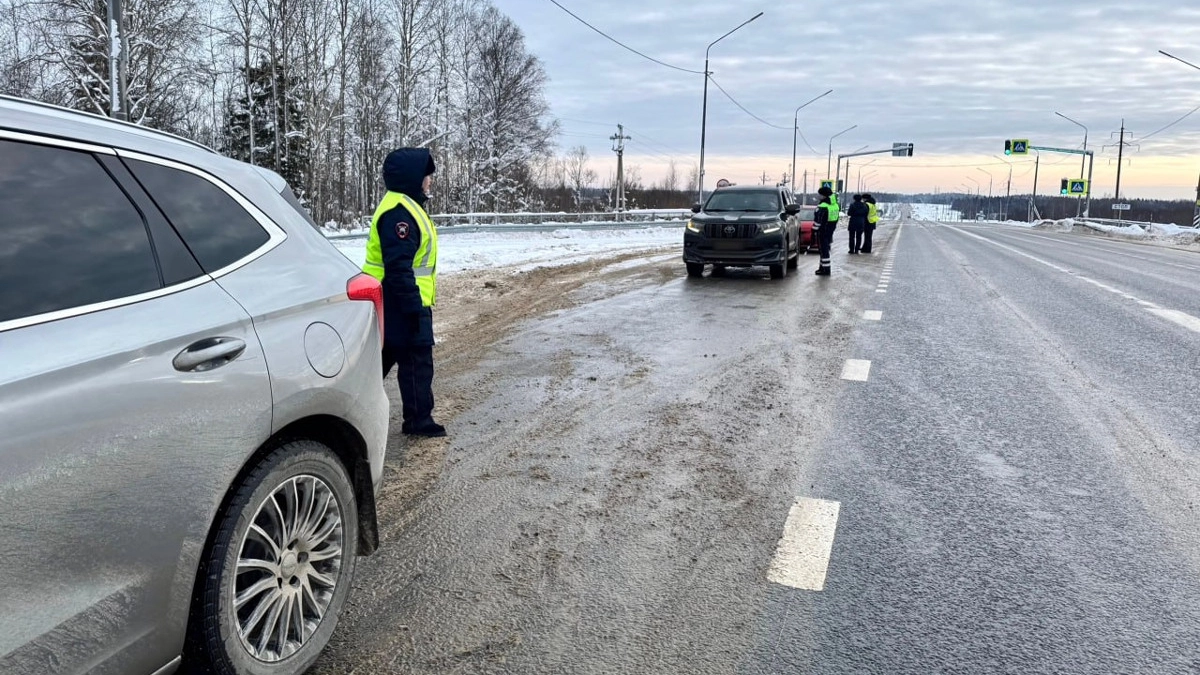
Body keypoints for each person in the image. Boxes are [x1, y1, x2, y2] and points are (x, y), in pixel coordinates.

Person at [363, 147, 446, 437]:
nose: (429, 181)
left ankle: (413, 419)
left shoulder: (405, 207)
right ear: (414, 177)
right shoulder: (400, 214)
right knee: (413, 362)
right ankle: (418, 421)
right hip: (400, 302)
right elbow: (398, 267)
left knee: (387, 362)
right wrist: (412, 308)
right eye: (426, 176)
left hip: (397, 300)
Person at [813, 185, 839, 275]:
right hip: (830, 230)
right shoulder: (835, 205)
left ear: (824, 195)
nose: (818, 196)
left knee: (823, 250)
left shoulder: (823, 206)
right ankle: (822, 267)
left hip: (822, 231)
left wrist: (814, 231)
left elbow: (818, 221)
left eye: (819, 194)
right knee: (825, 249)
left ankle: (826, 269)